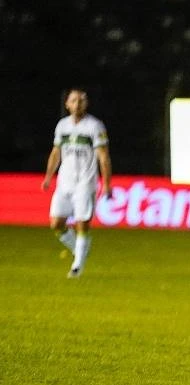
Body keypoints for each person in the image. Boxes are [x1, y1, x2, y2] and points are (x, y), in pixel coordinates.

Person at [41, 87, 112, 278]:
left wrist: (106, 183)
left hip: (85, 182)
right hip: (65, 181)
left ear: (86, 104)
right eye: (74, 100)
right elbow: (56, 152)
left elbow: (103, 157)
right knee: (56, 223)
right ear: (67, 104)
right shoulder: (62, 126)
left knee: (82, 222)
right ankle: (79, 249)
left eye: (81, 100)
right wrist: (48, 177)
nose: (78, 104)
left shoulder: (95, 126)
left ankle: (77, 265)